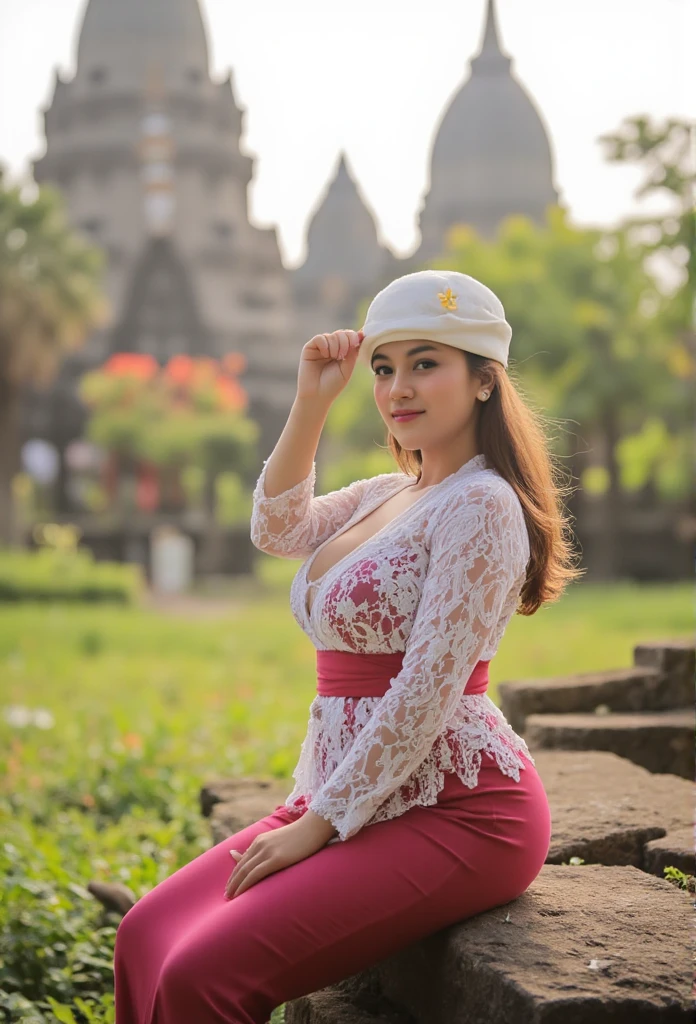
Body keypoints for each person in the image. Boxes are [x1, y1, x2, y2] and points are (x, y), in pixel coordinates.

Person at [114, 269, 584, 1024]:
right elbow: (276, 530)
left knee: (202, 975)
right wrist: (312, 399)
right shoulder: (386, 493)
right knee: (146, 935)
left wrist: (317, 825)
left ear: (485, 381)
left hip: (463, 811)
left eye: (426, 363)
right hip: (353, 791)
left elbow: (428, 689)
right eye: (384, 367)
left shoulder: (483, 504)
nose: (399, 387)